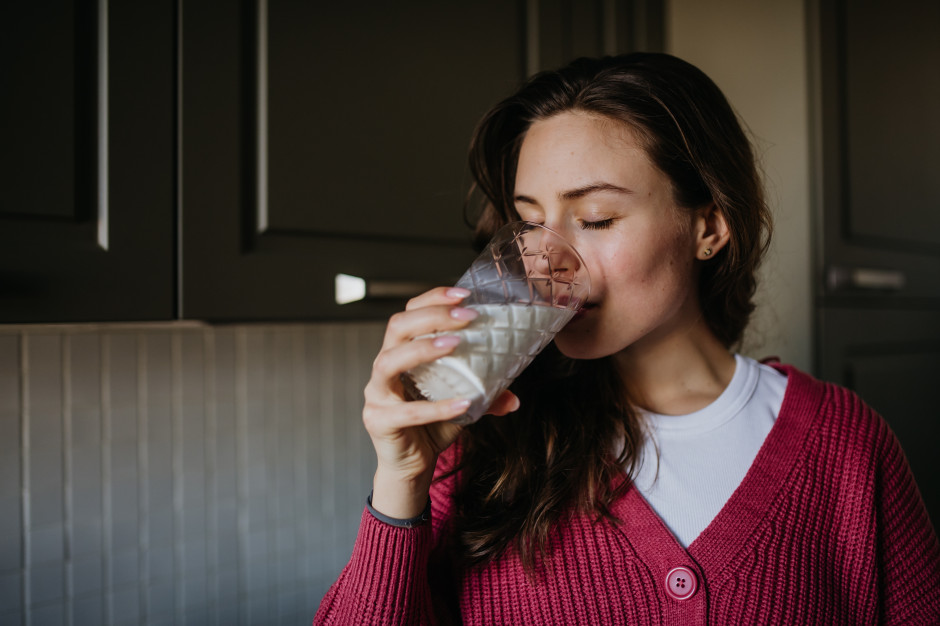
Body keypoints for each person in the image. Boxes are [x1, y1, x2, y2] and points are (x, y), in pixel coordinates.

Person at [314, 52, 940, 624]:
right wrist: (401, 480)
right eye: (530, 222)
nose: (544, 260)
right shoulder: (484, 440)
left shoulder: (847, 446)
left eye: (596, 218)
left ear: (709, 227)